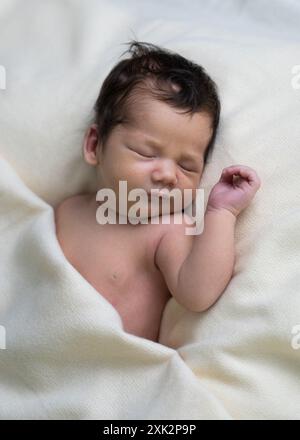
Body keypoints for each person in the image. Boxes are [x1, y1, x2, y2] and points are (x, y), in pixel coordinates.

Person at [54, 40, 261, 343]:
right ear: (94, 145)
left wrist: (221, 213)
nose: (167, 175)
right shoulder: (67, 212)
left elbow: (198, 293)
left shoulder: (167, 230)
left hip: (109, 371)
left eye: (187, 166)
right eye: (146, 153)